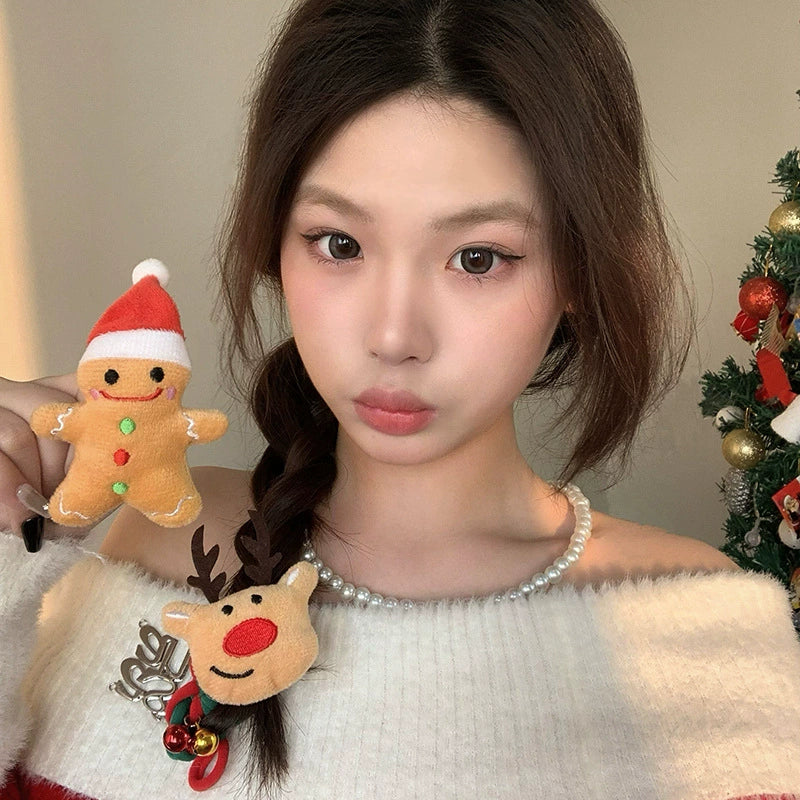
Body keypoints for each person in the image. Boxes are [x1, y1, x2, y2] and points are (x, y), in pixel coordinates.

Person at [1, 0, 799, 797]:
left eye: (479, 258)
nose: (392, 336)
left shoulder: (702, 630)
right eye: (340, 244)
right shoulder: (151, 540)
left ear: (580, 272)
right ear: (276, 244)